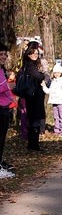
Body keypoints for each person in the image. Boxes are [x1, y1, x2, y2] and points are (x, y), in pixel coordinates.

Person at [22, 42, 45, 151]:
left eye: (37, 53)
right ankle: (34, 145)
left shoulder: (27, 64)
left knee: (32, 120)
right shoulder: (30, 65)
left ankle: (32, 144)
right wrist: (42, 75)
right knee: (35, 120)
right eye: (33, 53)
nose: (35, 55)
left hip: (31, 95)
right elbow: (39, 77)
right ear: (29, 54)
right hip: (34, 95)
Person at [0, 42, 15, 177]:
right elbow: (3, 87)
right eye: (1, 54)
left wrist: (12, 98)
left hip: (5, 106)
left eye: (5, 54)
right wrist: (8, 88)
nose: (3, 57)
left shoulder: (2, 70)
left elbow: (5, 88)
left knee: (2, 137)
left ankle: (1, 162)